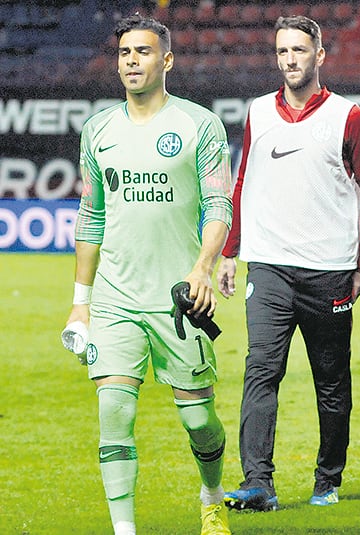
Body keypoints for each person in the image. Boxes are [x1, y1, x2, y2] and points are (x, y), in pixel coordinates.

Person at [66, 14, 233, 535]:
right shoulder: (98, 130)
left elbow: (218, 204)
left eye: (142, 52)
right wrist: (80, 301)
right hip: (116, 300)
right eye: (123, 53)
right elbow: (91, 217)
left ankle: (211, 496)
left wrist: (203, 267)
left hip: (180, 300)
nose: (131, 61)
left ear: (167, 61)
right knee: (113, 411)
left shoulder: (199, 125)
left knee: (199, 421)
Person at [216, 15, 360, 511]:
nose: (290, 59)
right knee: (260, 370)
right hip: (267, 267)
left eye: (299, 50)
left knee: (330, 380)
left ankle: (327, 478)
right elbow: (243, 181)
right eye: (282, 51)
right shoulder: (257, 112)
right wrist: (231, 251)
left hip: (328, 271)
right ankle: (258, 483)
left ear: (320, 55)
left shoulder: (348, 116)